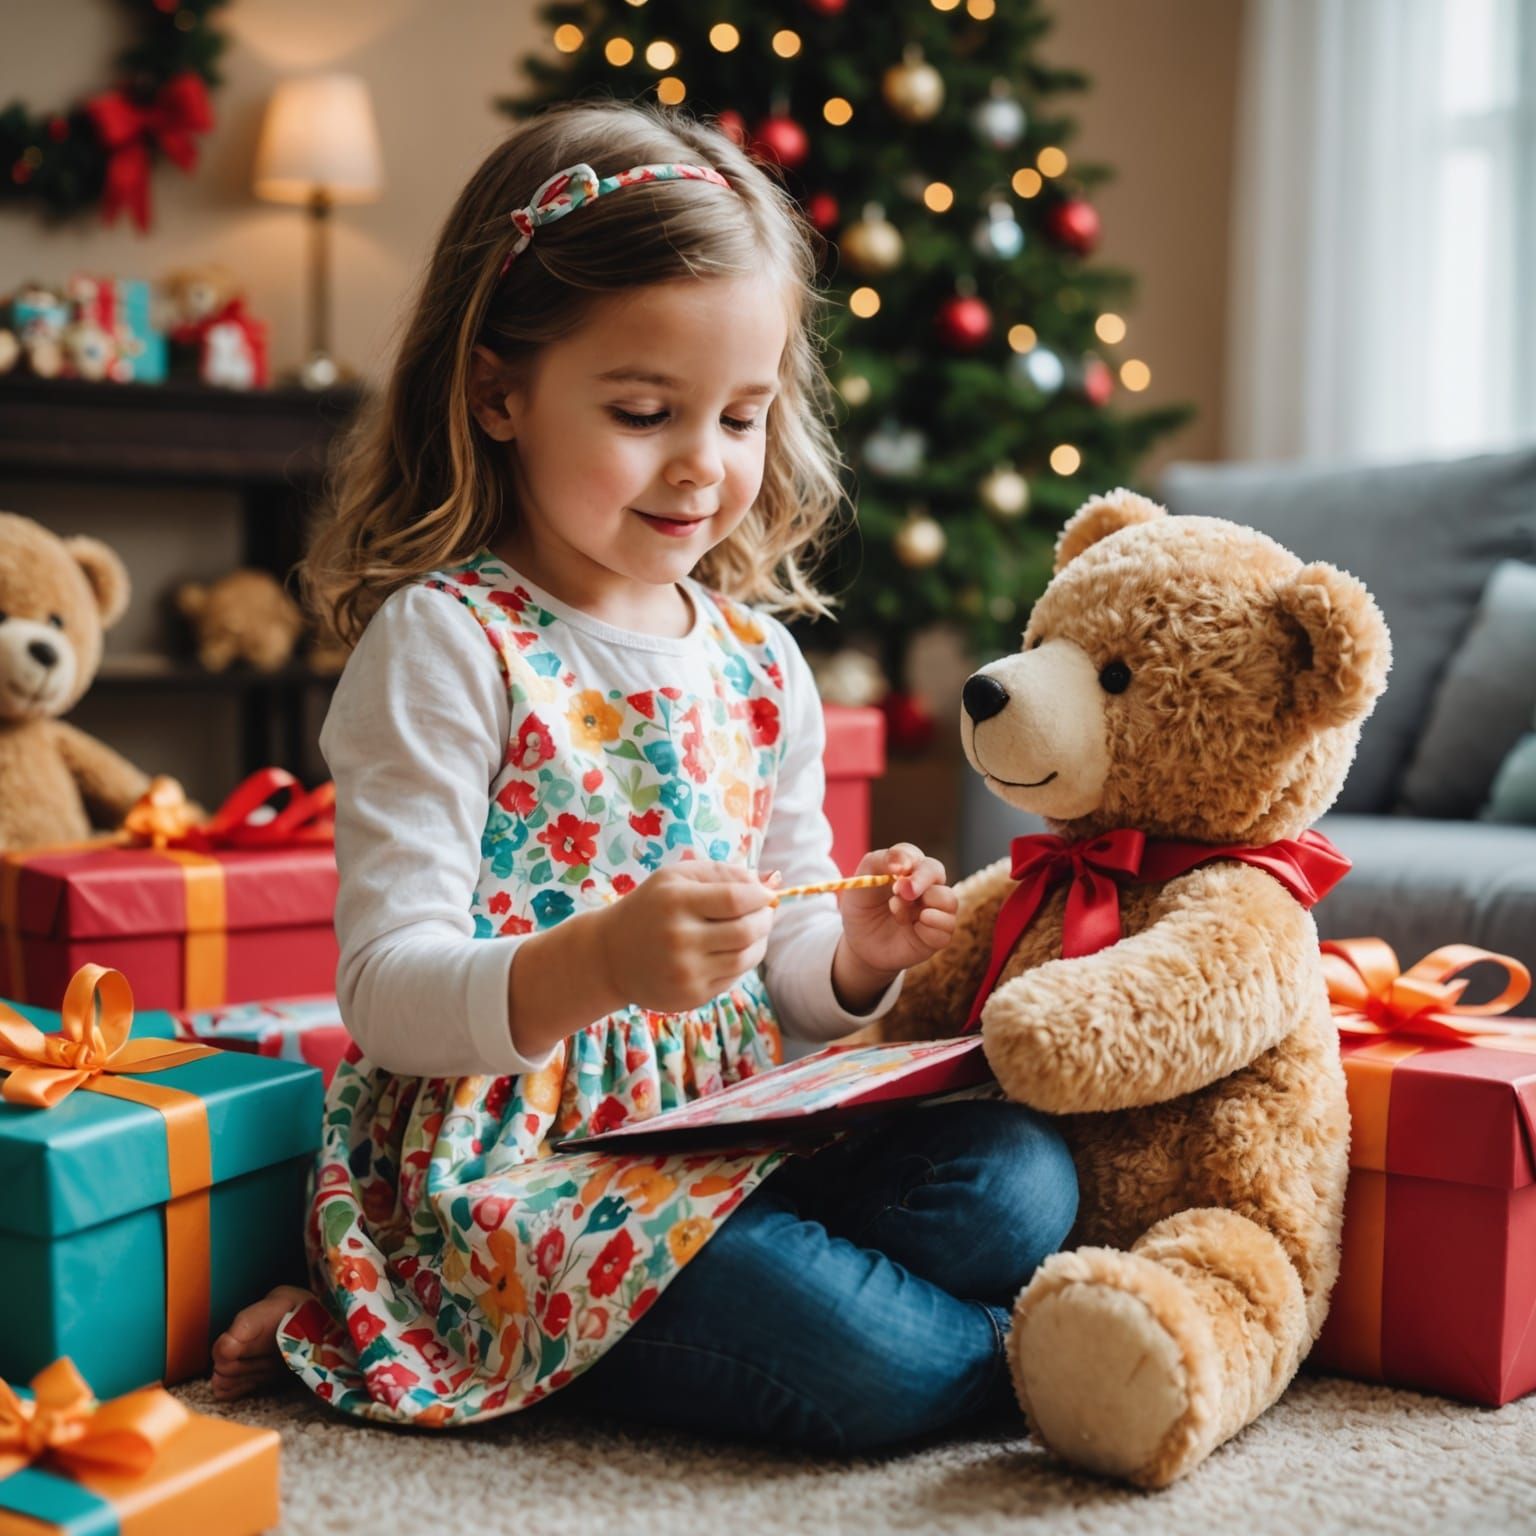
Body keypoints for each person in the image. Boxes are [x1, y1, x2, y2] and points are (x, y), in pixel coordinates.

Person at [210, 99, 1078, 1450]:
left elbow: (788, 972)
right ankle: (1054, 1361)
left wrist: (849, 956)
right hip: (518, 1186)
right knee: (870, 1365)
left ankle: (854, 1320)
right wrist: (599, 964)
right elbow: (385, 996)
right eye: (641, 410)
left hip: (729, 1144)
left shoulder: (759, 664)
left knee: (1019, 1182)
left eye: (741, 415)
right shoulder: (449, 643)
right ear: (498, 389)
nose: (703, 465)